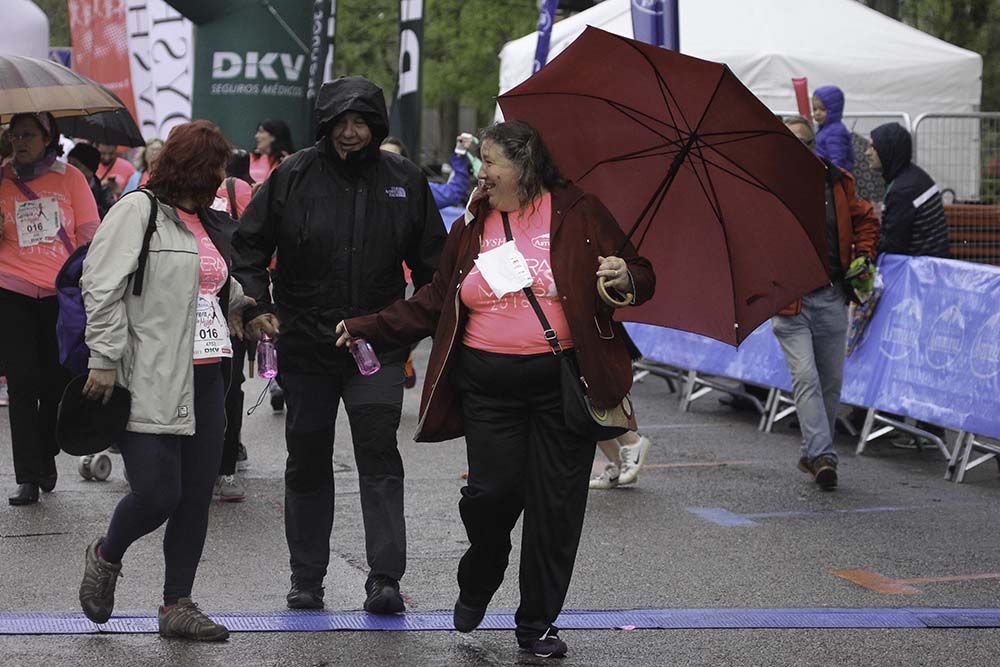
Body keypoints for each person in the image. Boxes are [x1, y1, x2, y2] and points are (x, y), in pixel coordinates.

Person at [336, 120, 655, 658]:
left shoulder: (579, 212)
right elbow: (438, 298)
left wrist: (625, 277)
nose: (481, 172)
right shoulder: (473, 221)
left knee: (556, 510)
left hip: (563, 383)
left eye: (490, 162)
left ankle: (537, 624)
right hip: (488, 385)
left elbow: (640, 275)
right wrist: (370, 325)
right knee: (490, 496)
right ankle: (482, 569)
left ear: (525, 166)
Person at [233, 76, 446, 614]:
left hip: (376, 344)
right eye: (341, 123)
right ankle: (306, 577)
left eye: (362, 123)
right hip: (305, 344)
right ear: (324, 125)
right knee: (306, 456)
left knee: (379, 452)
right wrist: (258, 307)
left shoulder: (405, 180)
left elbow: (436, 272)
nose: (351, 133)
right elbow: (249, 248)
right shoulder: (292, 175)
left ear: (378, 127)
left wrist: (402, 325)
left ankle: (385, 579)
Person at [77, 120, 251, 641]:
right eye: (214, 169)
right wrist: (103, 356)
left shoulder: (210, 219)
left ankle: (177, 603)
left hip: (208, 375)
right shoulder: (138, 212)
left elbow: (214, 280)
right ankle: (106, 555)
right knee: (157, 494)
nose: (221, 179)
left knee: (196, 497)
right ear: (191, 169)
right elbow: (100, 285)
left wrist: (248, 305)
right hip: (149, 376)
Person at [0, 112, 100, 506]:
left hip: (61, 294)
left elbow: (91, 235)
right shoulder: (1, 177)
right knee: (22, 384)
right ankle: (27, 476)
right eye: (14, 135)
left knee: (58, 381)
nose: (20, 142)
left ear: (47, 138)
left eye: (28, 135)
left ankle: (46, 452)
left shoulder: (70, 178)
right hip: (12, 290)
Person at [775, 116, 879, 491]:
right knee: (805, 378)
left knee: (831, 383)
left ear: (813, 145)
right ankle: (822, 456)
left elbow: (867, 219)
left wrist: (864, 256)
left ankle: (812, 451)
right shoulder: (768, 187)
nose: (795, 150)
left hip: (833, 294)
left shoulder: (838, 181)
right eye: (788, 143)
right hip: (790, 301)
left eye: (802, 143)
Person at [212, 148, 254, 502]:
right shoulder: (167, 192)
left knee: (230, 382)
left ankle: (225, 468)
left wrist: (246, 304)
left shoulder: (237, 189)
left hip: (231, 303)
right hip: (183, 304)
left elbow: (256, 246)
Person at [867, 122, 950, 258]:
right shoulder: (915, 176)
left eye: (873, 147)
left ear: (888, 150)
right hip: (933, 263)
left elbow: (892, 246)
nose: (867, 152)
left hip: (919, 271)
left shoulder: (902, 191)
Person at [67, 143, 116, 219]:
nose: (69, 168)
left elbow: (111, 216)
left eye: (75, 164)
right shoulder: (62, 185)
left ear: (89, 171)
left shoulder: (102, 193)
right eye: (68, 162)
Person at [812, 85, 853, 172]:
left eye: (822, 109)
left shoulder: (836, 132)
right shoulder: (823, 130)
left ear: (834, 110)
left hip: (832, 179)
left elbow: (838, 160)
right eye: (815, 109)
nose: (817, 113)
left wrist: (831, 177)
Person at [249, 119, 294, 184]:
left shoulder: (288, 160)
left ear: (273, 136)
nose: (256, 136)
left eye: (261, 132)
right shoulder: (251, 157)